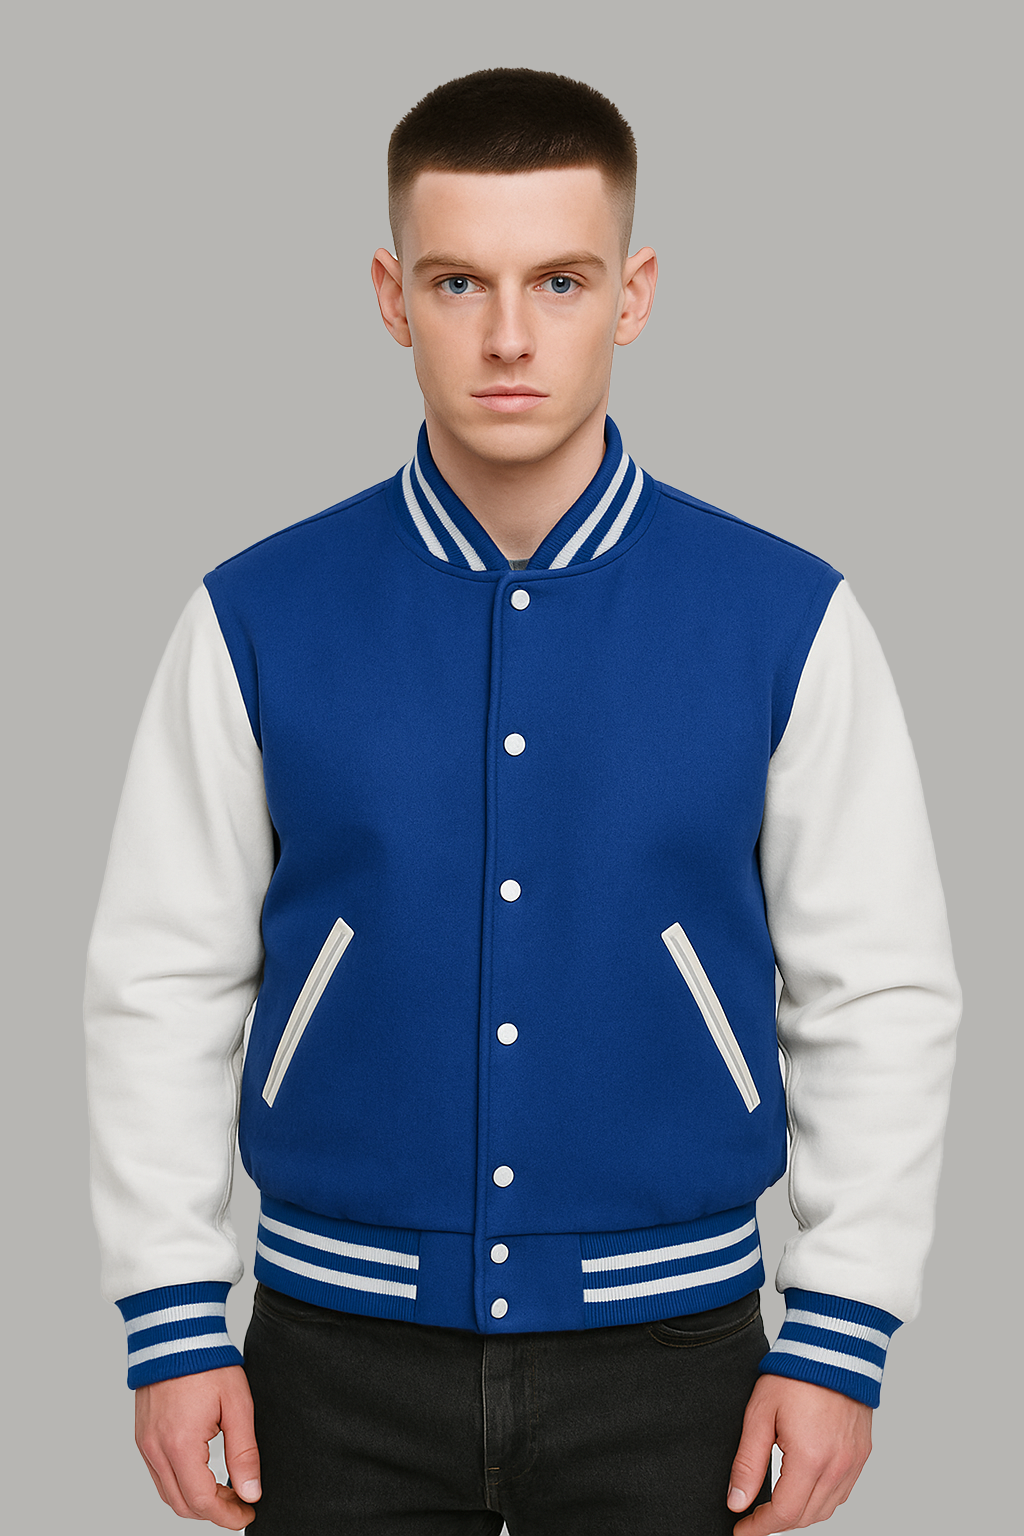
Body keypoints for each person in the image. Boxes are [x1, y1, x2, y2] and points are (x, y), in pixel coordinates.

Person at [84, 67, 961, 1535]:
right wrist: (172, 1319)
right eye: (458, 282)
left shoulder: (784, 617)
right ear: (392, 297)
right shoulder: (257, 616)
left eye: (559, 281)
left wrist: (841, 1332)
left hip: (677, 1365)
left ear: (634, 294)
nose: (507, 336)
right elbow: (159, 982)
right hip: (332, 1362)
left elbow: (877, 992)